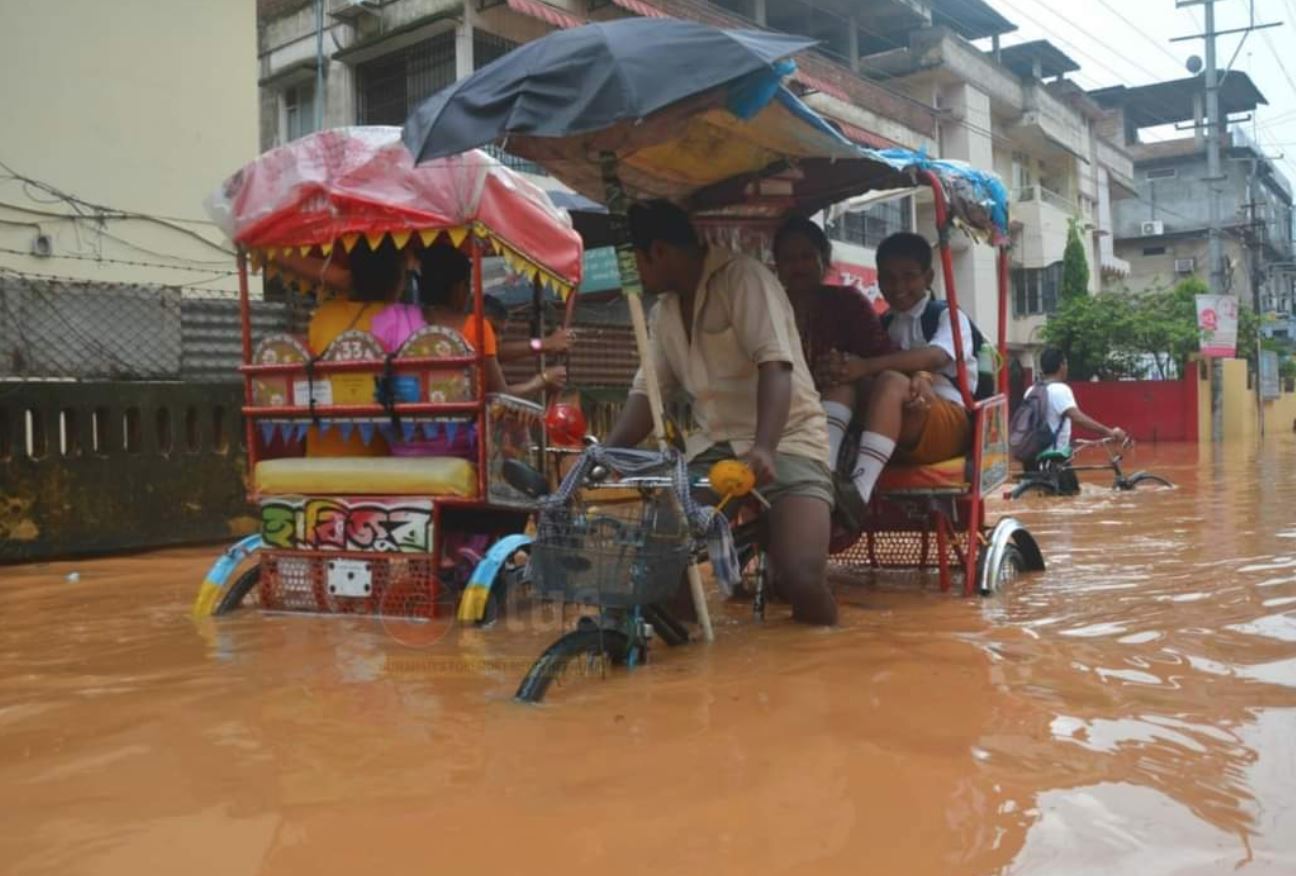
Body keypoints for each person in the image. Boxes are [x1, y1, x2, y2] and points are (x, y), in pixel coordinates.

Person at [604, 200, 837, 626]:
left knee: (801, 576)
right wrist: (604, 455)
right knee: (662, 558)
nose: (635, 277)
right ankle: (689, 663)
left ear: (657, 251)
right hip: (713, 450)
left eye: (635, 263)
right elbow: (648, 392)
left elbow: (775, 365)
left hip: (786, 441)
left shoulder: (744, 278)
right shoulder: (663, 312)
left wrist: (764, 448)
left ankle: (827, 666)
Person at [819, 232, 977, 507]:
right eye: (889, 278)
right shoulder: (883, 323)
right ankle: (825, 472)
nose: (898, 286)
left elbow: (937, 356)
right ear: (878, 279)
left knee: (890, 380)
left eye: (909, 276)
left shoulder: (946, 315)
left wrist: (867, 366)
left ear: (928, 278)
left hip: (946, 418)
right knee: (844, 376)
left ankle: (859, 491)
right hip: (895, 416)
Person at [772, 215, 894, 473]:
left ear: (823, 258)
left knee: (843, 385)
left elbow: (880, 354)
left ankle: (824, 470)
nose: (798, 267)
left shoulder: (847, 302)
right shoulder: (767, 308)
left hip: (843, 413)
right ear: (777, 265)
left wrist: (847, 367)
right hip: (781, 409)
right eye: (789, 259)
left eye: (806, 257)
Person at [305, 237, 402, 457]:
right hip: (381, 462)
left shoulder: (323, 316)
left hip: (320, 459)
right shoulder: (400, 320)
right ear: (396, 277)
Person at [1024, 346, 1128, 493]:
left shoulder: (1032, 390)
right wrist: (1108, 431)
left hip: (1032, 457)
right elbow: (1077, 417)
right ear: (1061, 366)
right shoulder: (1060, 389)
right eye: (1065, 363)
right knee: (1070, 499)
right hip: (1055, 458)